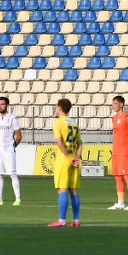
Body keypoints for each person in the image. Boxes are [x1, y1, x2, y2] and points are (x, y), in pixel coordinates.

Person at [47, 97, 82, 228]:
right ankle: (76, 220)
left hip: (64, 160)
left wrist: (68, 158)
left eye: (57, 107)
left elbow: (60, 142)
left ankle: (61, 220)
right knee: (74, 191)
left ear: (60, 108)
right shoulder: (74, 123)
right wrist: (76, 158)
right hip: (75, 160)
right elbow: (80, 143)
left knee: (62, 189)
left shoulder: (58, 123)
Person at [0, 95, 22, 206]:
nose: (0, 106)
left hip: (9, 151)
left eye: (2, 104)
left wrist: (12, 147)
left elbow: (19, 136)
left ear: (7, 105)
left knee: (12, 174)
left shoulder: (12, 118)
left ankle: (17, 199)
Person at [108, 95, 128, 210]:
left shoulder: (126, 118)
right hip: (116, 152)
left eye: (115, 103)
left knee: (127, 176)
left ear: (121, 104)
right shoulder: (114, 118)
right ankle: (120, 202)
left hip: (124, 151)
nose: (113, 106)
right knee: (117, 176)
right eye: (113, 103)